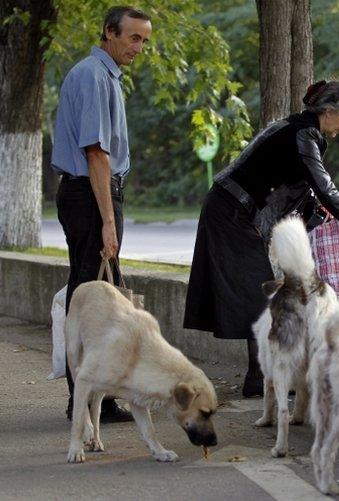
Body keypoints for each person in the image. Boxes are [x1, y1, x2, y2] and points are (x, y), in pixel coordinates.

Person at [184, 79, 339, 397]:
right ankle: (262, 380)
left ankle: (262, 379)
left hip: (236, 211)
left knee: (261, 293)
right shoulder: (302, 134)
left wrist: (316, 212)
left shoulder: (299, 131)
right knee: (260, 295)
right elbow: (324, 186)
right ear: (328, 111)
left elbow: (300, 186)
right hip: (232, 213)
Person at [51, 6, 152, 421]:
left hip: (92, 194)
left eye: (144, 40)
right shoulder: (93, 76)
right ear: (109, 33)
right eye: (133, 38)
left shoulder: (103, 74)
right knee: (91, 298)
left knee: (97, 294)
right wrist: (109, 220)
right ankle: (87, 400)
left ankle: (97, 396)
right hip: (91, 195)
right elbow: (95, 153)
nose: (139, 47)